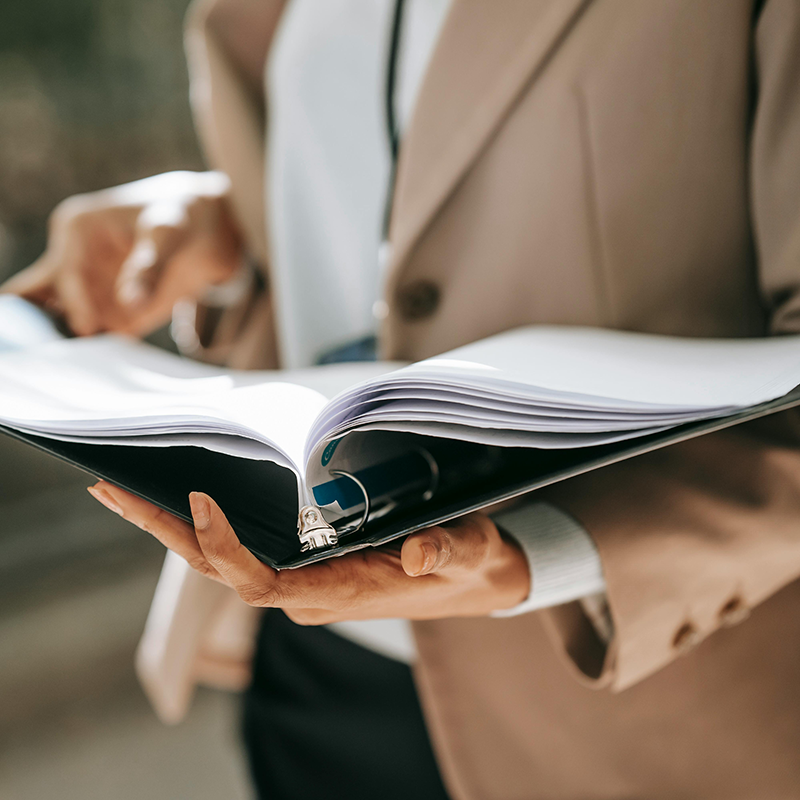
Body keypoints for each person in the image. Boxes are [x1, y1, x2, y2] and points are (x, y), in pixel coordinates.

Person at [4, 0, 800, 797]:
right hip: (318, 672)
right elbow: (392, 191)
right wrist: (230, 229)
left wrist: (543, 556)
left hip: (626, 701)